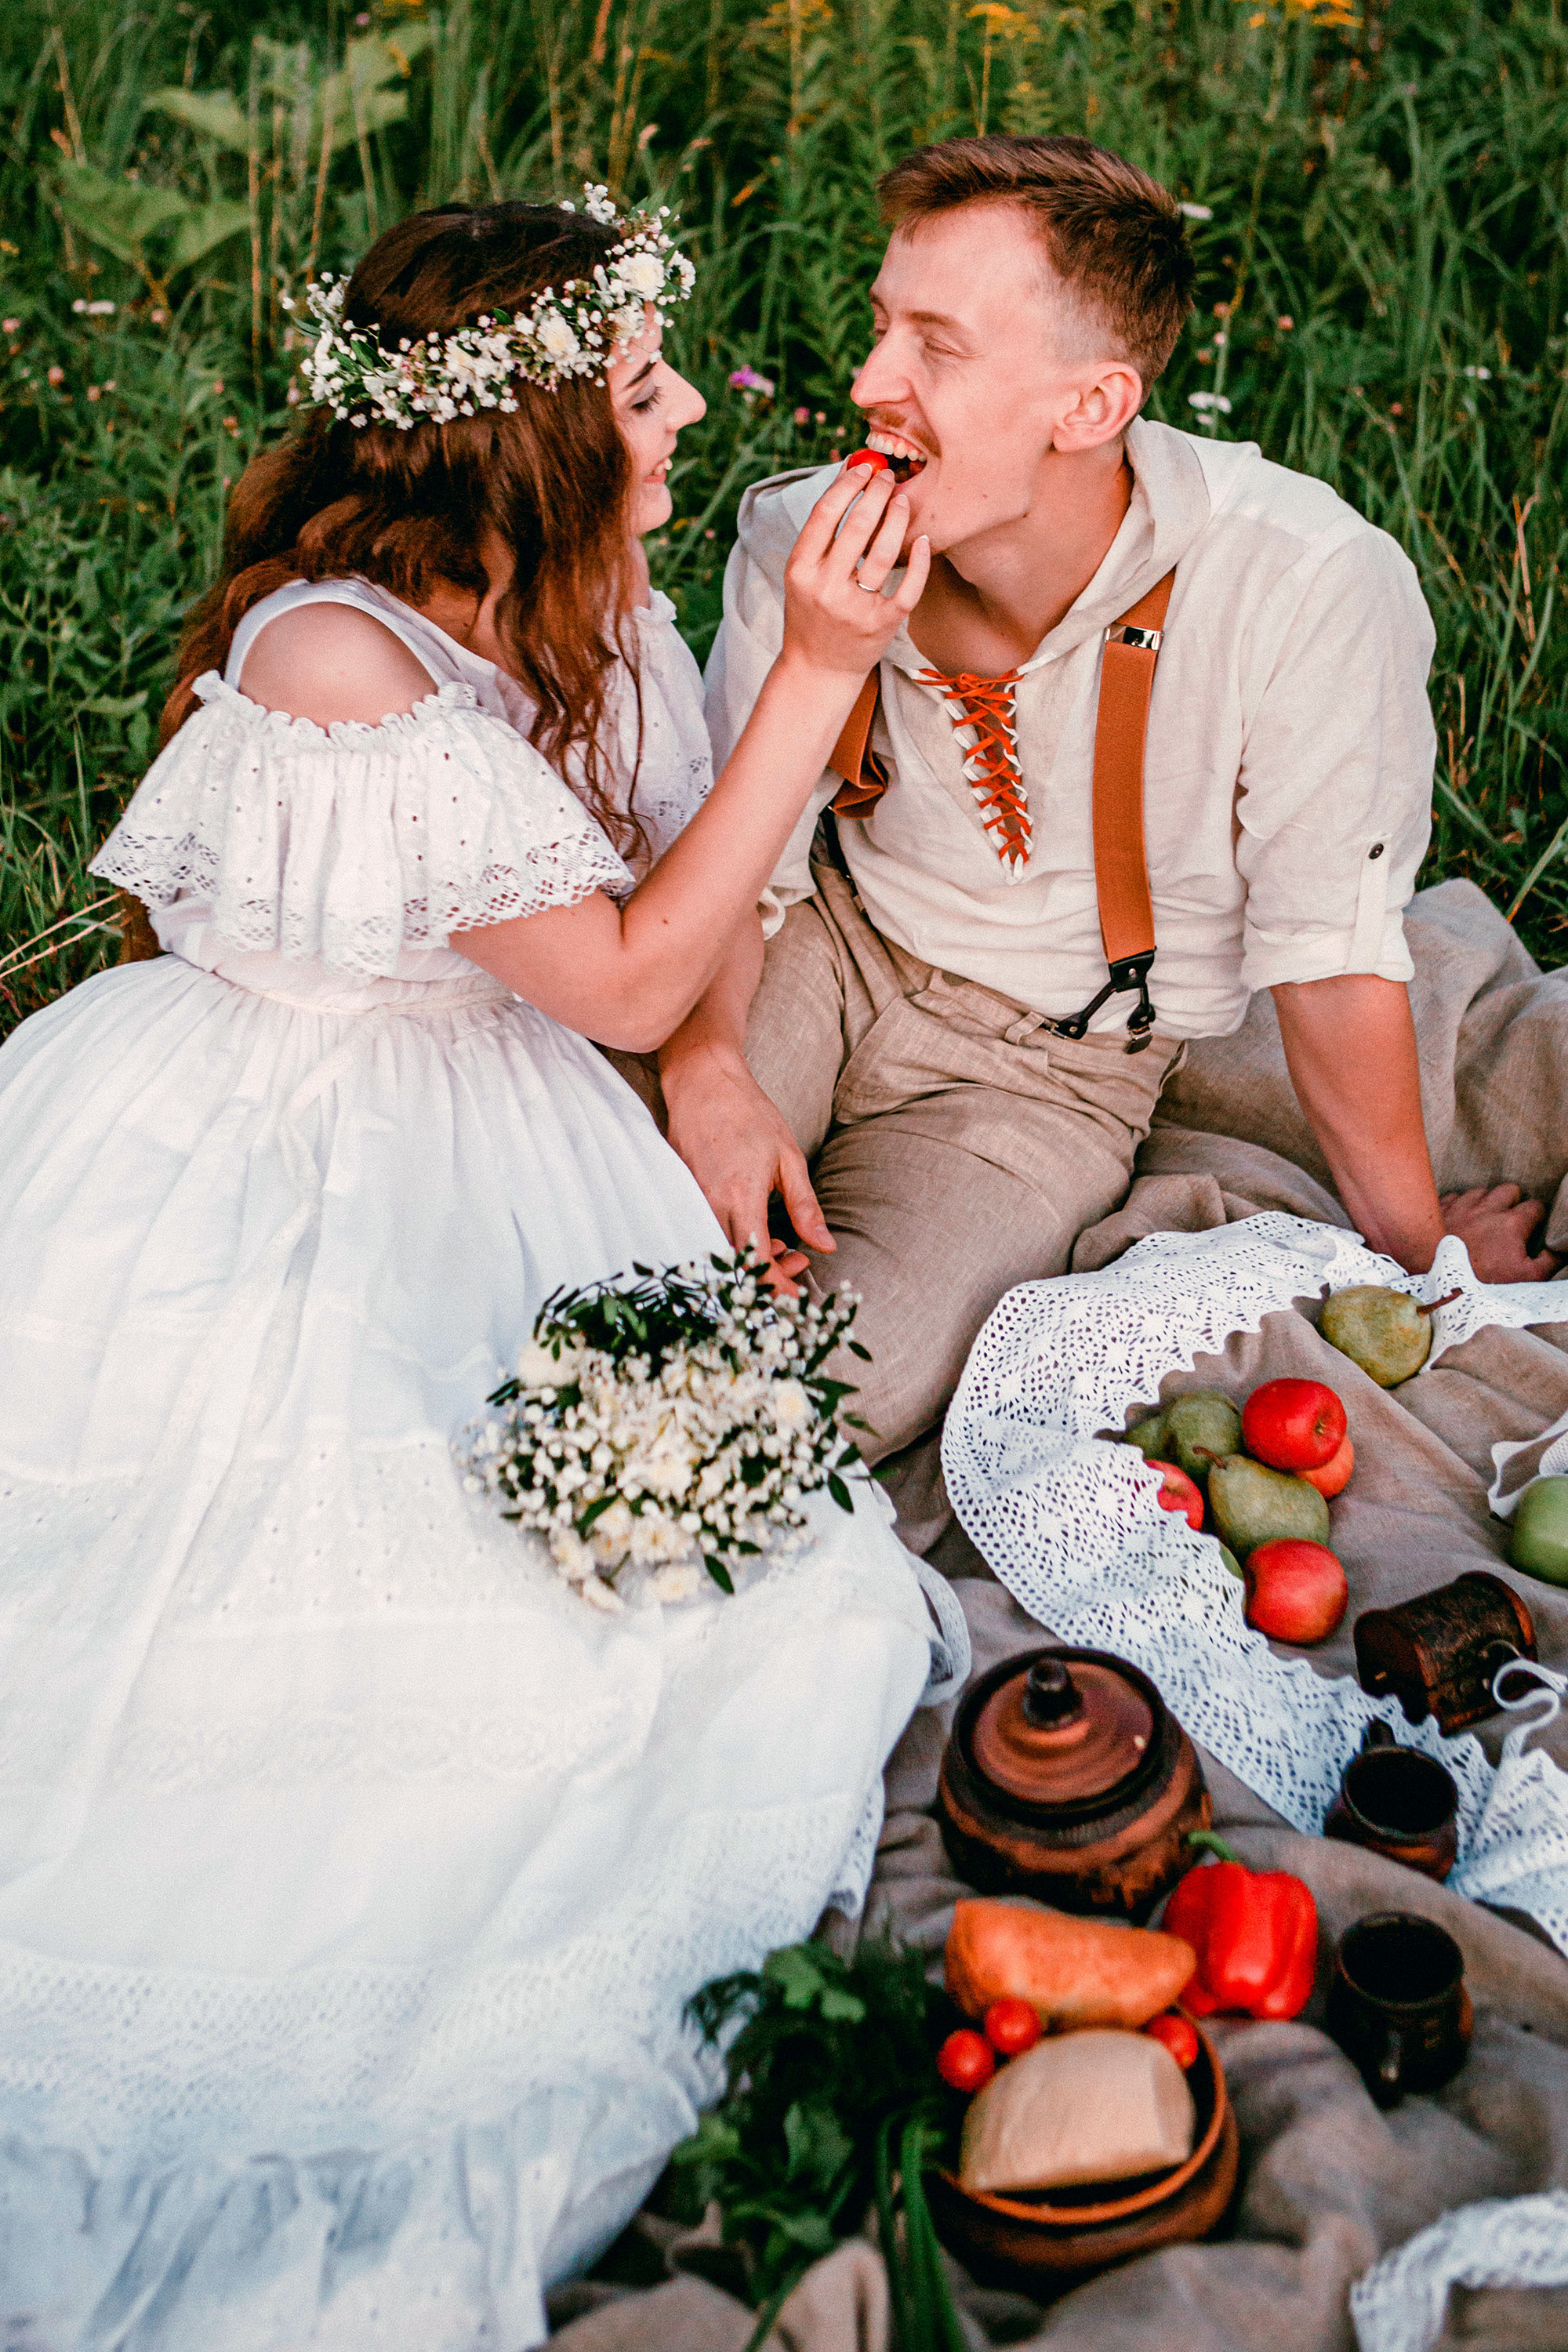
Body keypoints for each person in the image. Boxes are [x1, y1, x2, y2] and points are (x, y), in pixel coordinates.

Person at [0, 195, 947, 2343]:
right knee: (316, 1648)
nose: (692, 406)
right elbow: (618, 967)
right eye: (640, 385)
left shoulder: (579, 586)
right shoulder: (342, 655)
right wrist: (818, 668)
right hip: (263, 1145)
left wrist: (716, 1078)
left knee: (703, 1596)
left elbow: (676, 904)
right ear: (527, 426)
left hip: (487, 1097)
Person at [659, 132, 1559, 1544]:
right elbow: (744, 869)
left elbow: (1327, 958)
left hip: (1051, 1078)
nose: (869, 381)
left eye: (935, 346)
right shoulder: (797, 538)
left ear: (1092, 404)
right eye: (883, 321)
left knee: (806, 1405)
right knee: (596, 1222)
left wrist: (1424, 1258)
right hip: (820, 948)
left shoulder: (1306, 587)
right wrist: (708, 1068)